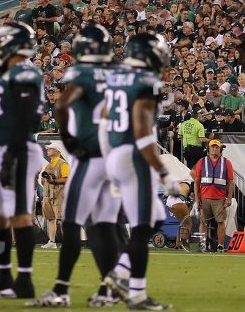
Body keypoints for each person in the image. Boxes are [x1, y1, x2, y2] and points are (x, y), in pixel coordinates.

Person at [34, 24, 125, 307]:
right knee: (102, 226)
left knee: (73, 222)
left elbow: (62, 106)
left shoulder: (80, 73)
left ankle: (61, 289)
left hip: (91, 157)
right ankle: (111, 286)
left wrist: (71, 142)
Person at [100, 34, 190, 310]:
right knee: (144, 224)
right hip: (134, 157)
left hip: (117, 154)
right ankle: (129, 286)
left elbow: (104, 118)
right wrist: (161, 172)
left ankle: (125, 279)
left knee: (148, 222)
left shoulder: (117, 78)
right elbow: (141, 133)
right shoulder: (145, 83)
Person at [0, 21, 44, 300]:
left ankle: (24, 280)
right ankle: (4, 277)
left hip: (19, 149)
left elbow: (27, 117)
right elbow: (3, 122)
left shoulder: (25, 72)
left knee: (18, 215)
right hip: (5, 148)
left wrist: (7, 158)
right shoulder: (9, 74)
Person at [193, 139, 235, 253]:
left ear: (220, 150)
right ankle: (202, 245)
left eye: (217, 147)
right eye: (213, 147)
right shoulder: (201, 162)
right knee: (203, 222)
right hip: (204, 198)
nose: (215, 149)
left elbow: (231, 182)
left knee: (220, 222)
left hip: (220, 199)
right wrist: (197, 198)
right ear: (209, 149)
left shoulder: (227, 163)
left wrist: (229, 198)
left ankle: (220, 246)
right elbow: (196, 182)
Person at [40, 144, 69, 249]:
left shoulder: (63, 164)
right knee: (50, 219)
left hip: (59, 195)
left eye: (50, 148)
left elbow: (66, 179)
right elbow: (43, 181)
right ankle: (52, 242)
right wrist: (45, 179)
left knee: (61, 219)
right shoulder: (48, 165)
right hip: (48, 195)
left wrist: (54, 180)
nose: (48, 150)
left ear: (57, 151)